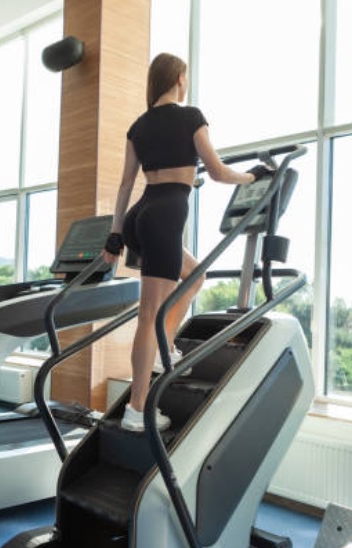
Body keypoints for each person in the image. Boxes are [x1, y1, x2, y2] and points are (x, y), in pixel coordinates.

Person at [102, 52, 270, 432]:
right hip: (165, 216)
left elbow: (126, 185)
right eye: (186, 76)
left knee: (195, 277)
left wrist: (115, 235)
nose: (187, 81)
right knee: (148, 315)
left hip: (140, 215)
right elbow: (217, 171)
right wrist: (252, 176)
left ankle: (166, 350)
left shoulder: (138, 126)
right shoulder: (191, 116)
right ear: (178, 78)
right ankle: (136, 409)